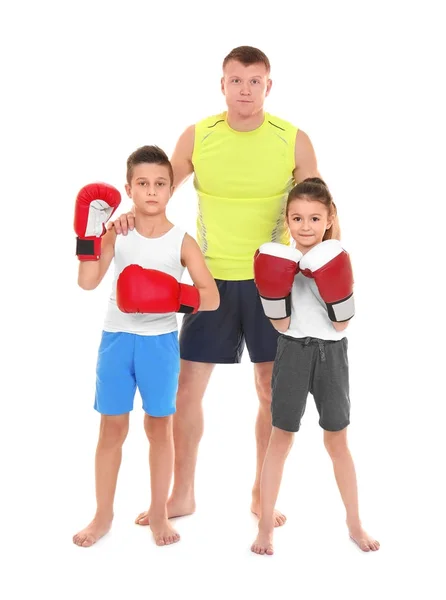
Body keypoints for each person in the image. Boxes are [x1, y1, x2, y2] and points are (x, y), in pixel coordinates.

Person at [112, 46, 337, 528]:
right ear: (222, 84)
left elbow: (320, 206)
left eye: (255, 81)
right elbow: (159, 189)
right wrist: (131, 213)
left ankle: (261, 491)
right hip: (209, 277)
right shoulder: (199, 136)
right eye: (236, 80)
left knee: (269, 388)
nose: (245, 90)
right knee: (187, 388)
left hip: (273, 280)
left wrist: (331, 265)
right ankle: (182, 493)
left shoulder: (293, 139)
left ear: (268, 86)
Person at [72, 145, 219, 547]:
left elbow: (212, 297)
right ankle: (102, 516)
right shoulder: (116, 234)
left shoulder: (182, 241)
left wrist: (169, 295)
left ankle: (158, 512)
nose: (151, 191)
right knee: (111, 431)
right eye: (142, 184)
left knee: (159, 430)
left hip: (159, 346)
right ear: (129, 188)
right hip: (116, 341)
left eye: (159, 184)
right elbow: (87, 282)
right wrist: (90, 236)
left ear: (172, 189)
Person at [251, 178, 379, 555]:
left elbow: (341, 324)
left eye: (313, 218)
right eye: (297, 218)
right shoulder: (279, 262)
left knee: (337, 440)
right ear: (287, 221)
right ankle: (264, 527)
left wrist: (327, 283)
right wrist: (277, 285)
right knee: (281, 439)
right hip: (291, 350)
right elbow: (280, 325)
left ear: (328, 219)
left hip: (332, 354)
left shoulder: (336, 259)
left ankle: (354, 524)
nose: (305, 226)